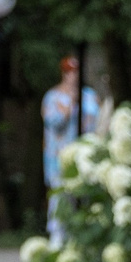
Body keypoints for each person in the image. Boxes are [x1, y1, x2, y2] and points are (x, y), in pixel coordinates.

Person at [41, 56, 82, 245]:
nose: (73, 76)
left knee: (81, 201)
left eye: (75, 71)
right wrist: (70, 104)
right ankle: (57, 243)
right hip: (58, 160)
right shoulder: (53, 97)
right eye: (69, 72)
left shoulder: (89, 95)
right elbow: (53, 122)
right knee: (59, 201)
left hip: (83, 159)